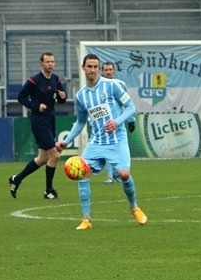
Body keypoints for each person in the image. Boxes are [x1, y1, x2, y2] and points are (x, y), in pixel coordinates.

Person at [56, 54, 147, 230]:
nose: (92, 70)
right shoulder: (81, 96)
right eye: (89, 66)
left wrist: (117, 122)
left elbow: (131, 108)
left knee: (124, 174)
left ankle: (134, 207)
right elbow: (81, 122)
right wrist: (66, 141)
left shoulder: (112, 86)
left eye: (95, 66)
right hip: (96, 142)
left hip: (117, 140)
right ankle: (86, 219)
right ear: (83, 68)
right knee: (82, 174)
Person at [9, 52, 67, 200]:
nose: (50, 64)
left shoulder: (56, 79)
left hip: (50, 119)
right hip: (39, 121)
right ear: (41, 63)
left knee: (42, 158)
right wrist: (35, 106)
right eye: (47, 62)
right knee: (55, 155)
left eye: (52, 61)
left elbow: (60, 100)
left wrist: (63, 97)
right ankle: (48, 190)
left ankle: (17, 179)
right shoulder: (34, 81)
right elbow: (21, 97)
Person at [101, 61, 136, 184]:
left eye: (110, 69)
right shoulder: (99, 85)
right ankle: (110, 176)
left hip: (117, 122)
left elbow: (127, 103)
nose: (108, 72)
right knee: (106, 149)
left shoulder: (120, 84)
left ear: (114, 71)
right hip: (103, 123)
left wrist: (131, 120)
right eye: (106, 70)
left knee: (118, 149)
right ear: (102, 71)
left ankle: (118, 173)